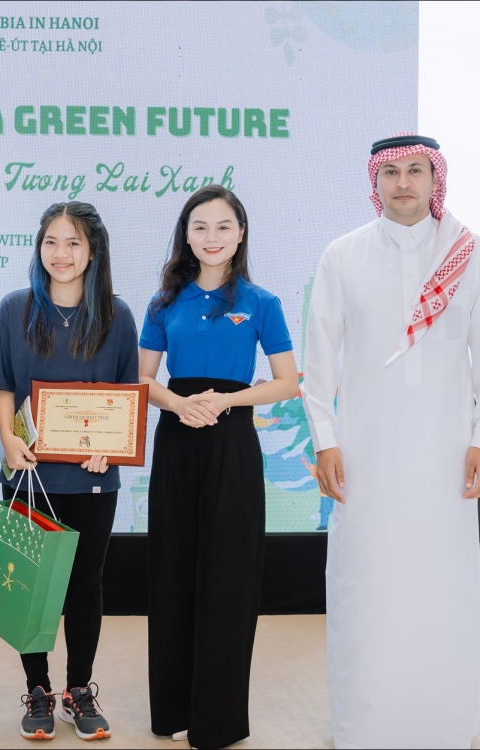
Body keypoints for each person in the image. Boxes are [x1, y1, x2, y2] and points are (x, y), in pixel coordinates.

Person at [302, 132, 480, 749]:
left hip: (446, 457)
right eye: (391, 172)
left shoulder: (472, 254)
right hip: (365, 456)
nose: (403, 183)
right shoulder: (342, 255)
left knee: (443, 587)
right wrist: (325, 441)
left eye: (416, 170)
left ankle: (444, 724)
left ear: (434, 178)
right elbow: (319, 365)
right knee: (367, 586)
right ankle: (366, 725)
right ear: (375, 181)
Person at [138, 185, 298, 747]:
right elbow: (142, 379)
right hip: (177, 441)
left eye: (223, 226)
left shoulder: (261, 302)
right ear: (186, 235)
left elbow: (286, 382)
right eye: (200, 226)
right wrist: (179, 404)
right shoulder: (163, 303)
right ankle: (174, 711)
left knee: (229, 577)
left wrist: (226, 401)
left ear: (241, 233)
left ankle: (218, 720)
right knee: (174, 570)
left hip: (232, 441)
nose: (212, 237)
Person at [0, 201, 138, 742]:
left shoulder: (117, 315)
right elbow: (3, 386)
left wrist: (112, 450)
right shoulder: (14, 309)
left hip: (92, 477)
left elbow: (127, 396)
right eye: (51, 241)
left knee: (84, 585)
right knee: (29, 586)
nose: (61, 253)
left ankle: (78, 690)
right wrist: (7, 439)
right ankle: (38, 690)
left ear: (93, 250)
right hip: (29, 474)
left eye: (74, 242)